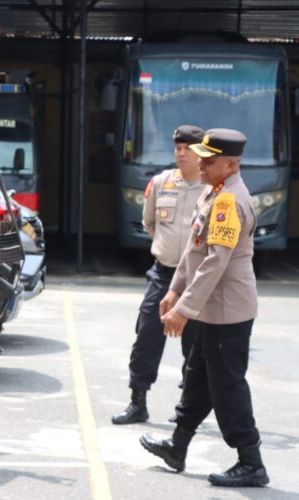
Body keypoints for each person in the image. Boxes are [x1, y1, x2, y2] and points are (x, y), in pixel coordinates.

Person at [140, 129, 269, 488]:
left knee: (227, 385)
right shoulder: (213, 192)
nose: (201, 163)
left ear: (231, 164)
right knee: (198, 375)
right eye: (202, 157)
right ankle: (177, 447)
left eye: (209, 160)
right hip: (210, 307)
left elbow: (215, 262)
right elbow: (193, 250)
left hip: (228, 309)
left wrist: (183, 307)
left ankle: (251, 460)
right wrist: (175, 290)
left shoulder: (229, 200)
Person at [112, 125, 204, 425]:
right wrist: (166, 249)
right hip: (163, 274)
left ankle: (187, 408)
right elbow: (150, 223)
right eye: (177, 148)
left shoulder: (211, 188)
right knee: (147, 335)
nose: (180, 153)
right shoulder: (161, 182)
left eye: (187, 148)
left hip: (196, 279)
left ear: (200, 152)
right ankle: (138, 401)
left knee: (195, 344)